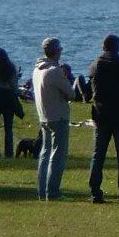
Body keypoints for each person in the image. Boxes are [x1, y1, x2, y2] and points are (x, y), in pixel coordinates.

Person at [86, 33, 119, 205]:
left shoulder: (95, 66)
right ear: (118, 47)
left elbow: (90, 92)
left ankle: (95, 192)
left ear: (103, 47)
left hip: (102, 115)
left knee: (98, 155)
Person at [31, 38, 74, 201]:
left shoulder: (37, 70)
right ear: (56, 51)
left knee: (45, 153)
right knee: (58, 155)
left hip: (44, 116)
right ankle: (53, 192)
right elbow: (71, 93)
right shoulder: (54, 71)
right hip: (58, 116)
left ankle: (42, 191)